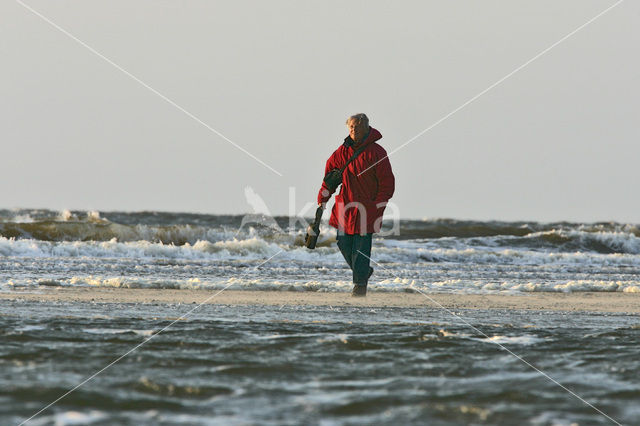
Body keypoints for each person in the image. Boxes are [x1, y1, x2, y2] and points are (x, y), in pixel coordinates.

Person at [316, 113, 395, 296]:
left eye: (358, 127)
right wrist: (323, 198)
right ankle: (364, 273)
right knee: (343, 243)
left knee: (361, 249)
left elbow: (387, 183)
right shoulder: (341, 152)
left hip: (367, 209)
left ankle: (359, 287)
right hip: (344, 208)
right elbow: (329, 178)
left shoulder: (377, 152)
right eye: (351, 127)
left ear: (367, 128)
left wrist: (378, 205)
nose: (354, 130)